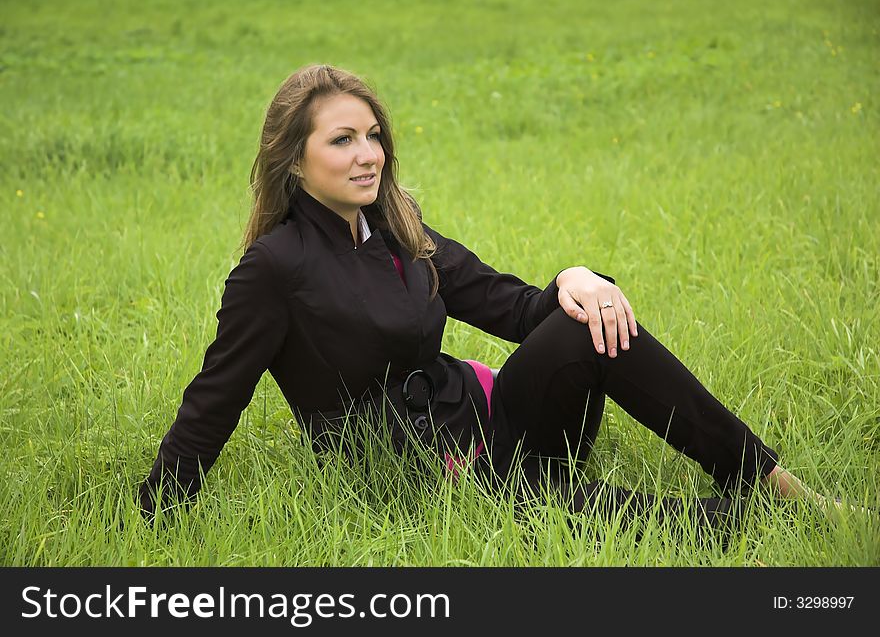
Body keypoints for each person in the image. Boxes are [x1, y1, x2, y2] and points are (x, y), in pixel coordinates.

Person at [139, 63, 844, 532]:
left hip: (491, 424)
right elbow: (214, 398)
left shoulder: (398, 227)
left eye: (374, 136)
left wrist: (576, 277)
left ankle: (774, 483)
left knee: (591, 321)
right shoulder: (273, 267)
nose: (368, 154)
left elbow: (512, 307)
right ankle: (739, 522)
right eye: (343, 139)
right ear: (295, 159)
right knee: (657, 520)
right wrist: (151, 517)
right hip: (415, 478)